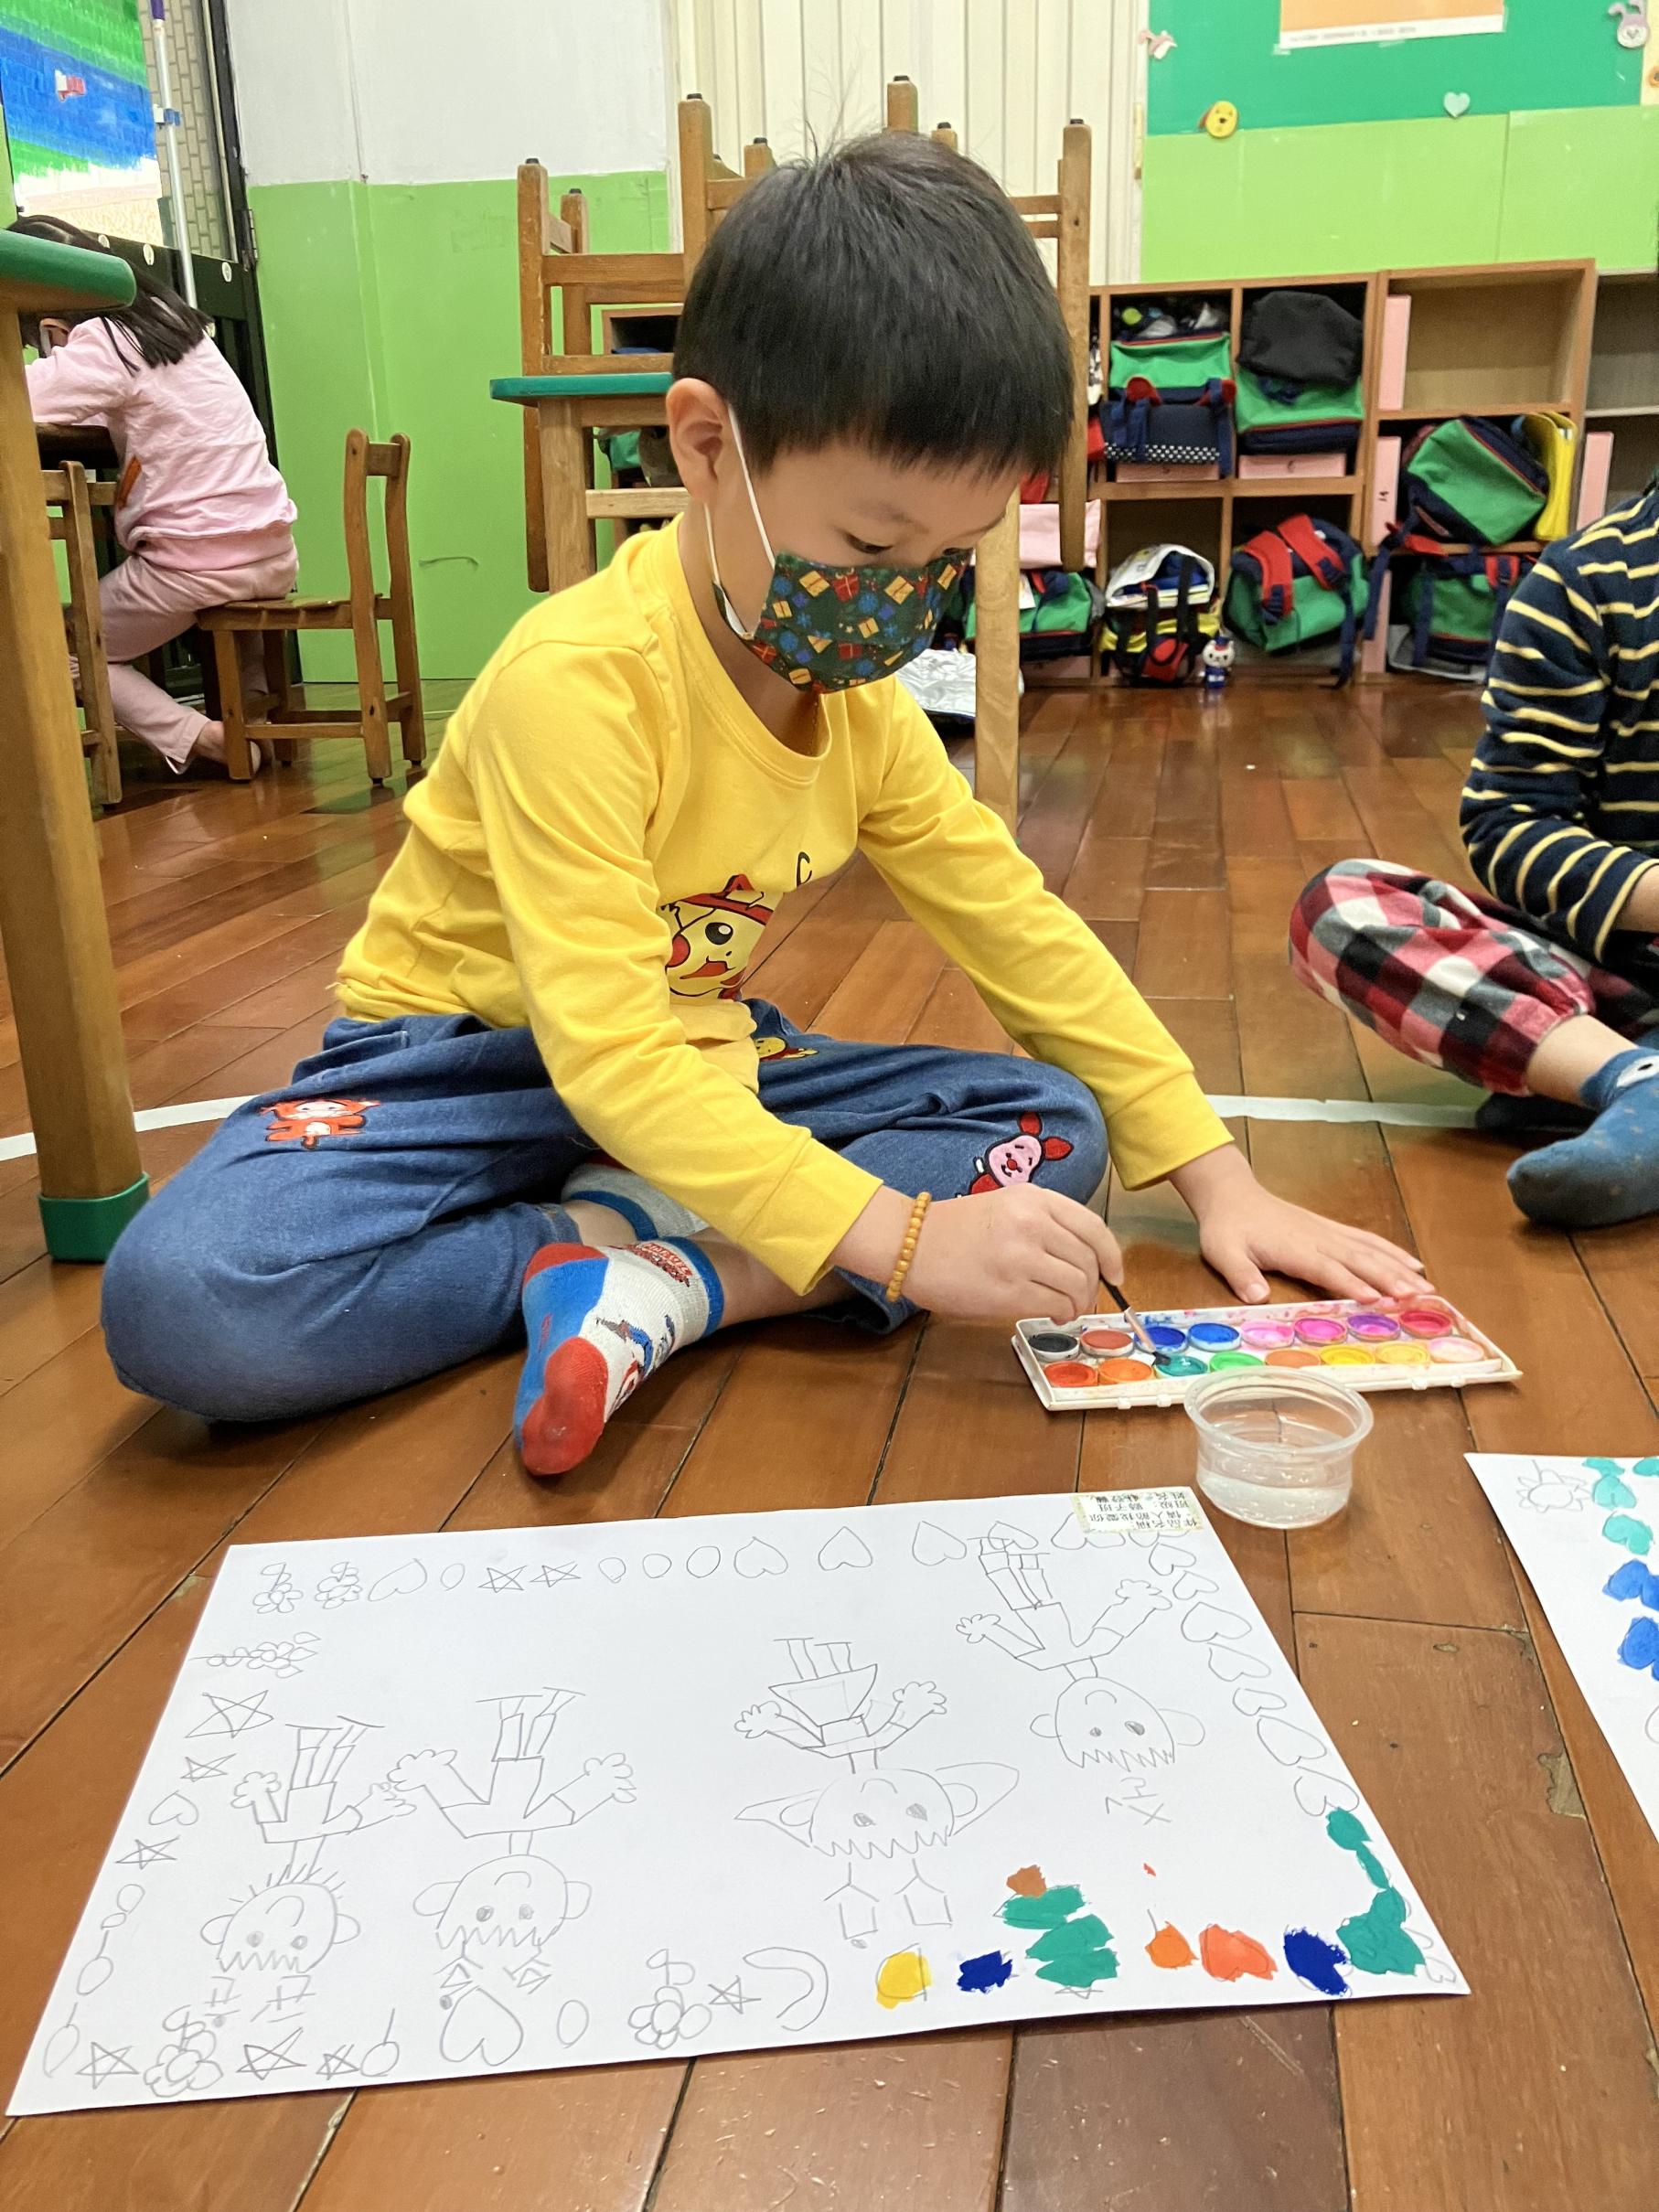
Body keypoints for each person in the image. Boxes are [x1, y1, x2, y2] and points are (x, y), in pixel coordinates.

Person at [101, 134, 1425, 1472]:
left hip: (694, 1061)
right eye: (870, 545)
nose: (901, 597)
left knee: (1053, 1130)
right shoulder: (579, 682)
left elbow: (1014, 925)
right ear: (706, 446)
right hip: (457, 1069)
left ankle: (670, 1280)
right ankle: (617, 1236)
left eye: (946, 557)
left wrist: (1215, 1177)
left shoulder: (856, 707)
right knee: (190, 1301)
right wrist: (901, 1241)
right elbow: (605, 1054)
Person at [1292, 476, 1659, 1230]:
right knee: (1341, 907)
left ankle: (1604, 1089)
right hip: (1622, 969)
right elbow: (1512, 823)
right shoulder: (1587, 582)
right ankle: (1635, 1079)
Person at [16, 213, 297, 775]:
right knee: (207, 621)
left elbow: (20, 397)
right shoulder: (173, 329)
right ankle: (253, 716)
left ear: (51, 325)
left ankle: (206, 738)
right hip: (271, 551)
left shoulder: (106, 341)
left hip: (195, 563)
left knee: (65, 643)